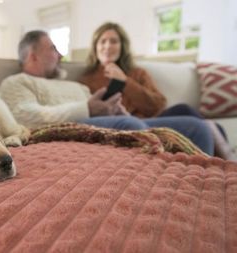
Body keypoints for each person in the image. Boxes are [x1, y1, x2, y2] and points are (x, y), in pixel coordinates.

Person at [0, 30, 215, 156]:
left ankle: (199, 185)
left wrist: (117, 111)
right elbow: (23, 116)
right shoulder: (16, 82)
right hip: (72, 130)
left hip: (113, 121)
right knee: (133, 128)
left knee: (197, 128)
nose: (61, 55)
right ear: (33, 56)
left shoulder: (76, 86)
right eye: (53, 49)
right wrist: (88, 108)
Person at [79, 22, 236, 160]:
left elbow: (158, 105)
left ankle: (221, 161)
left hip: (151, 119)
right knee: (208, 126)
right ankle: (225, 158)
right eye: (102, 41)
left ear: (122, 46)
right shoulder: (87, 79)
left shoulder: (137, 72)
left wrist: (125, 81)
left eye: (113, 41)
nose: (107, 46)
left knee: (186, 109)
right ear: (95, 47)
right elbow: (89, 113)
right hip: (126, 124)